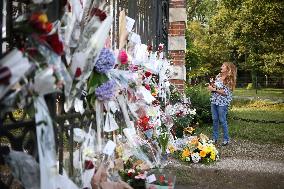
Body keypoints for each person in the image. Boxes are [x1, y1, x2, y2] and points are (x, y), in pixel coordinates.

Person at [207, 62, 237, 146]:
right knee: (215, 120)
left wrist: (214, 89)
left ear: (228, 68)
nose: (221, 67)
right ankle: (215, 138)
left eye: (223, 66)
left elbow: (225, 92)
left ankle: (226, 139)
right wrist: (211, 85)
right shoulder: (218, 76)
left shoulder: (229, 79)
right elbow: (216, 87)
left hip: (222, 103)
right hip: (214, 101)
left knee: (222, 120)